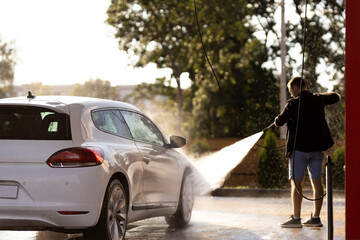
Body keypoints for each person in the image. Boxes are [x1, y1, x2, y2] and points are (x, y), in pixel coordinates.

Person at [274, 76, 341, 228]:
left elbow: (279, 122)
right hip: (317, 151)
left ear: (297, 88)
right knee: (317, 182)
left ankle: (296, 219)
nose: (291, 94)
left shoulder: (292, 104)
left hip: (299, 151)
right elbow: (336, 97)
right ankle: (316, 218)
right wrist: (318, 96)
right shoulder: (318, 99)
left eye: (291, 90)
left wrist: (276, 119)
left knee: (297, 184)